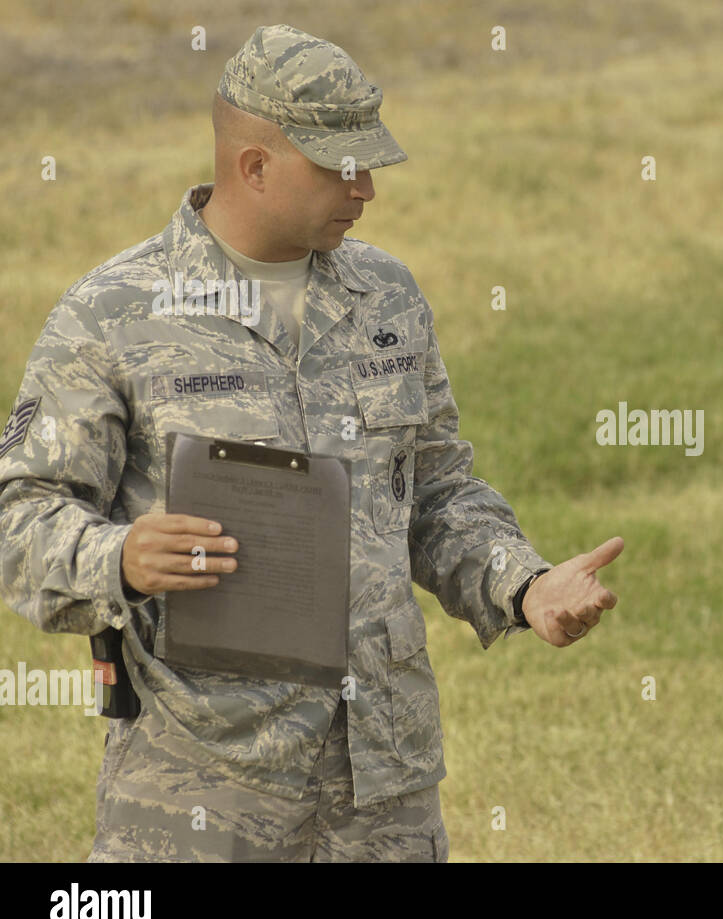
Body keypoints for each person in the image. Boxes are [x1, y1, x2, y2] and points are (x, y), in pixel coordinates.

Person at [0, 24, 621, 862]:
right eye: (342, 166)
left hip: (381, 784)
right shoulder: (111, 316)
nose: (366, 188)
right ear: (254, 166)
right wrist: (119, 556)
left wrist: (525, 583)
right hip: (203, 784)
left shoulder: (387, 297)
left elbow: (435, 491)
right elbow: (21, 517)